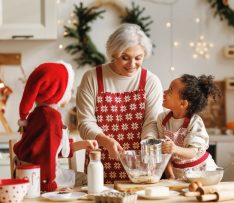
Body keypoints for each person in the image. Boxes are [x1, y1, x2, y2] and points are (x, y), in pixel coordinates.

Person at [76, 23, 164, 183]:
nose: (132, 65)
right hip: (100, 164)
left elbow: (151, 122)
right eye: (125, 57)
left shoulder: (151, 82)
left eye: (138, 58)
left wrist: (148, 150)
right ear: (113, 53)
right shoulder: (92, 78)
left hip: (142, 166)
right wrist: (106, 141)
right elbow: (85, 123)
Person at [14, 62, 98, 192]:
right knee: (88, 179)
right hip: (41, 177)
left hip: (30, 174)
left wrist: (83, 144)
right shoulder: (51, 118)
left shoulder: (38, 114)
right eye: (69, 89)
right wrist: (49, 184)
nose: (70, 93)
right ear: (58, 92)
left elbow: (53, 148)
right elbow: (46, 156)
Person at [158, 74, 220, 179]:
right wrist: (170, 176)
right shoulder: (162, 119)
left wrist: (174, 149)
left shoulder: (195, 122)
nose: (164, 92)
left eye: (170, 90)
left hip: (203, 172)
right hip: (179, 173)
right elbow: (164, 153)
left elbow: (192, 152)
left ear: (183, 103)